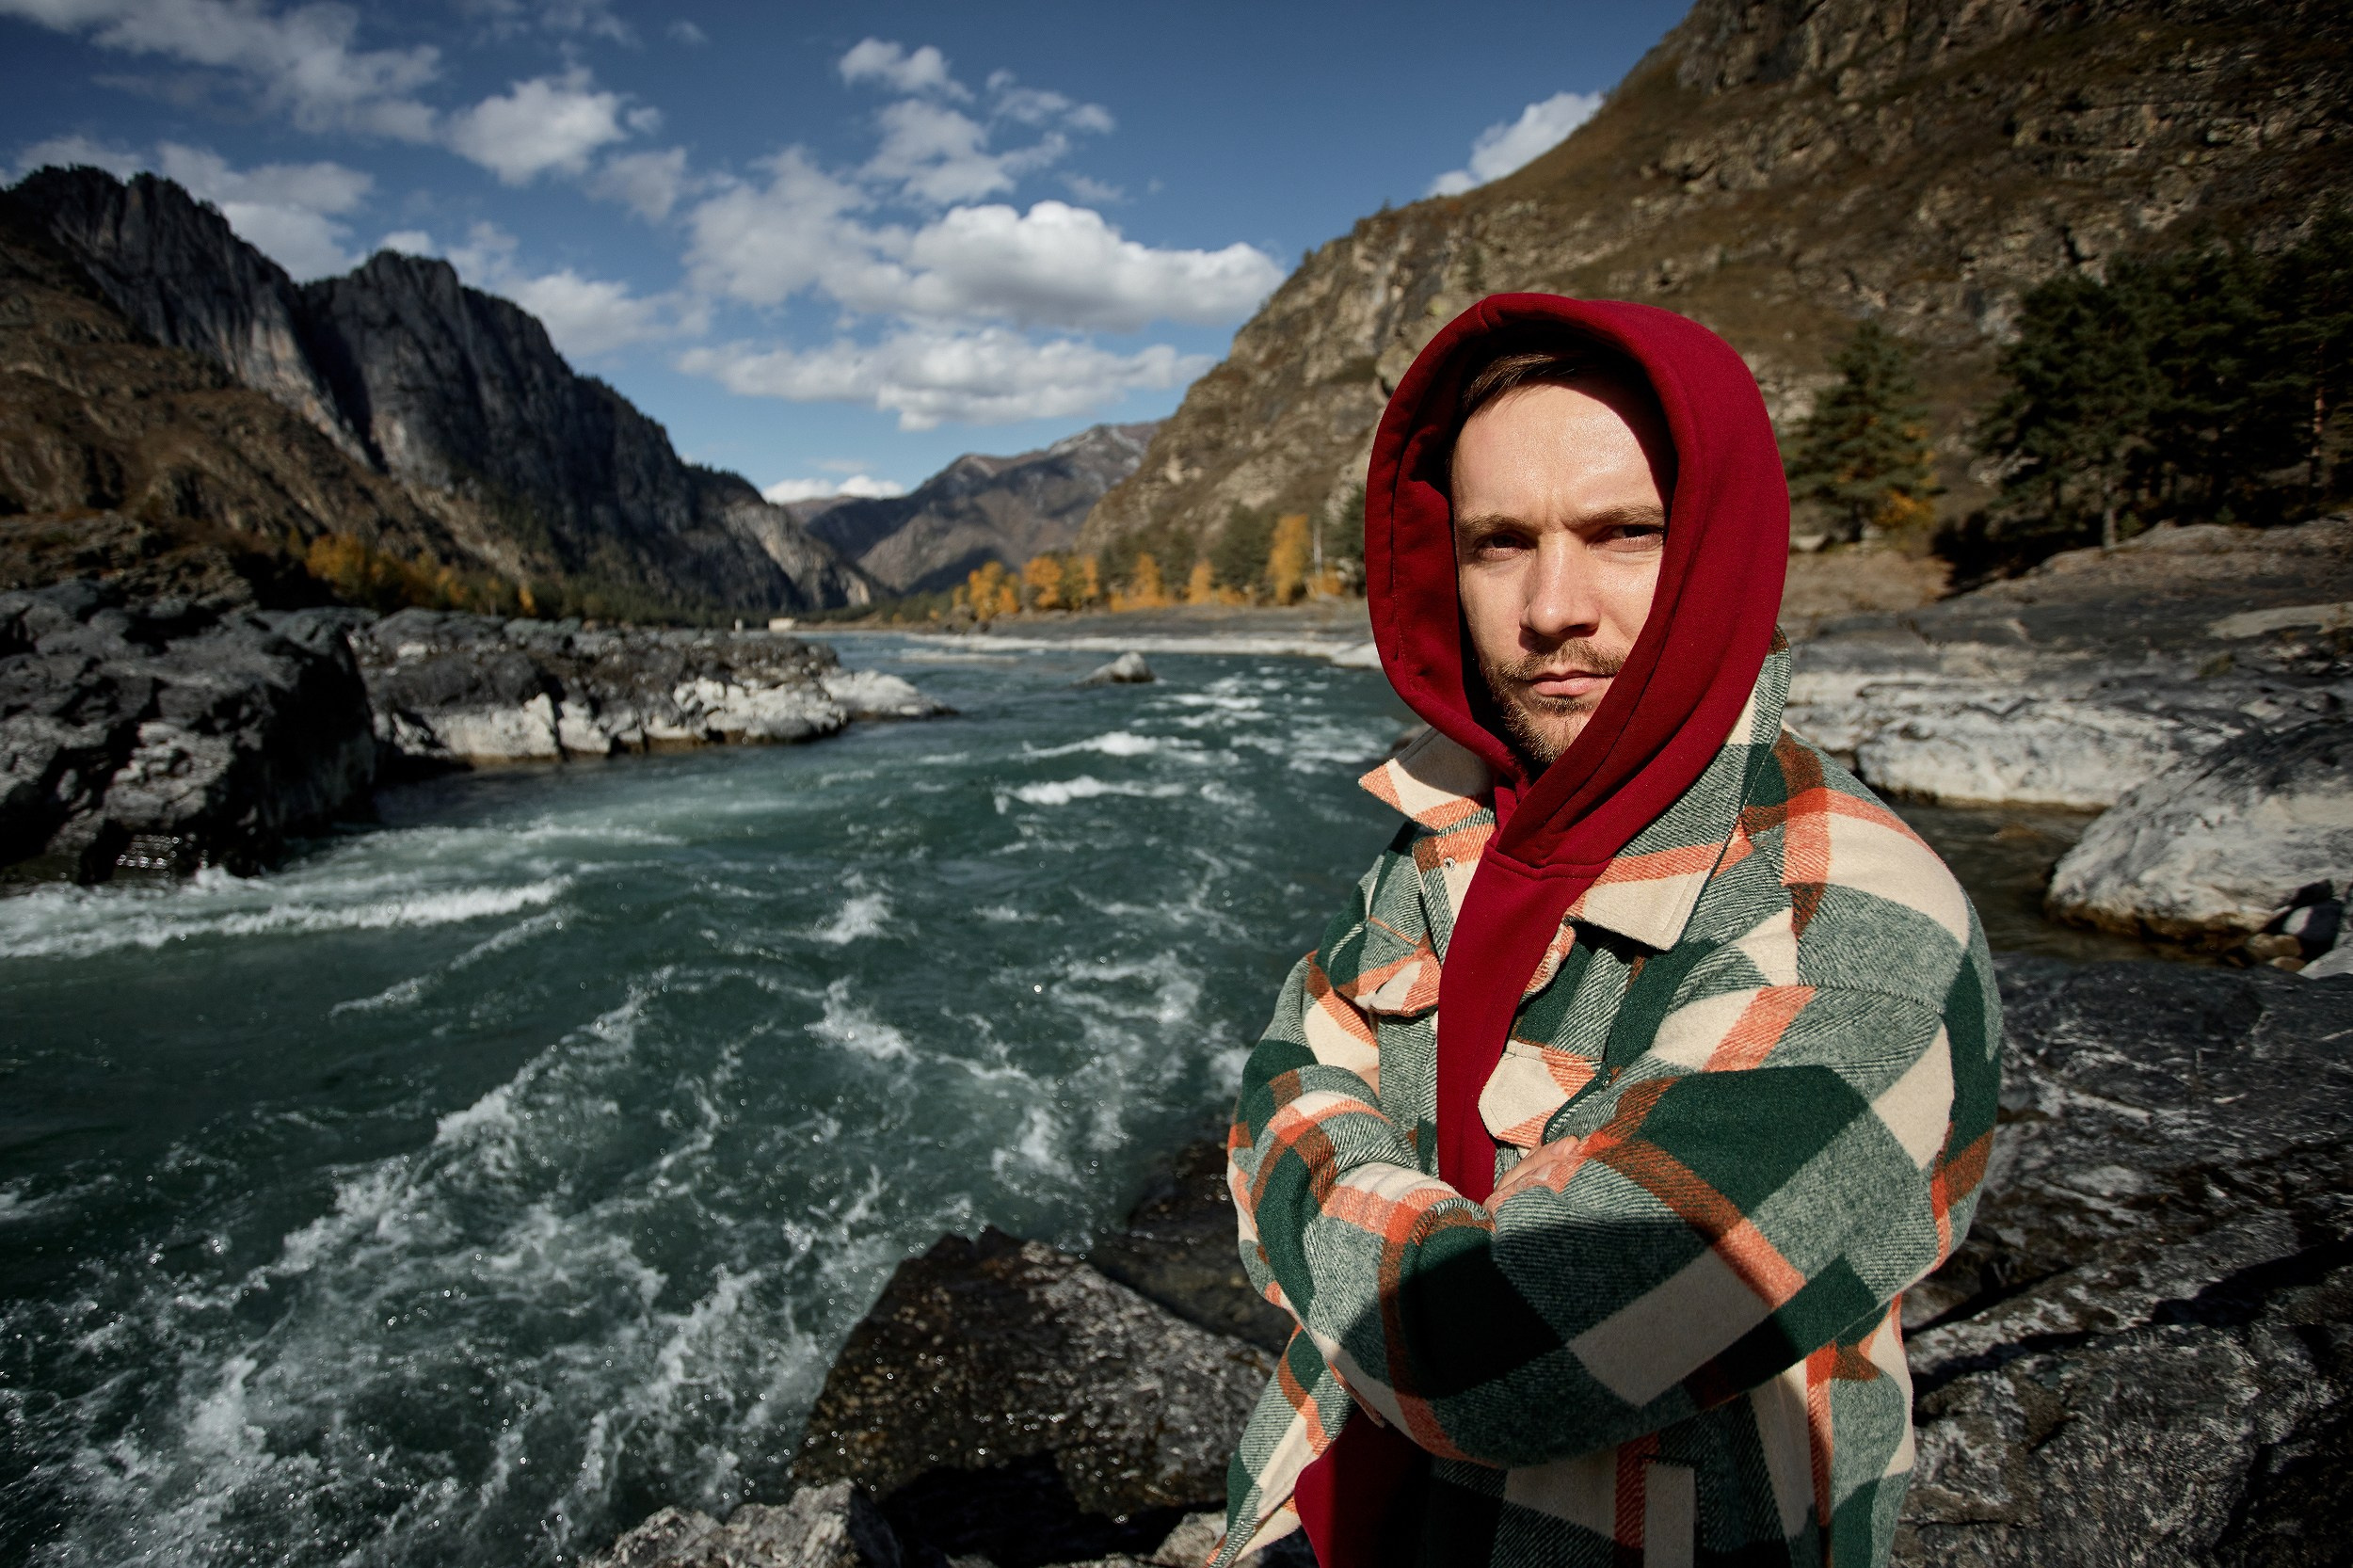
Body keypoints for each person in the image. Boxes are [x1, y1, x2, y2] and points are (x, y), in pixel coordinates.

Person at [1210, 295, 2000, 1568]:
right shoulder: (1448, 824)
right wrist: (1339, 1151)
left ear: (1719, 546)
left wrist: (1300, 1159)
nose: (1551, 606)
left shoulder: (1856, 930)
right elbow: (1289, 1042)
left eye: (1622, 533)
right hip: (1323, 1510)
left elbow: (1500, 1359)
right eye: (1498, 543)